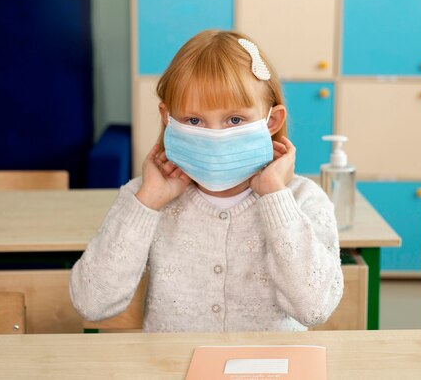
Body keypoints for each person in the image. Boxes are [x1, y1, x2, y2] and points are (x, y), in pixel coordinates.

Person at [70, 29, 343, 332]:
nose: (215, 136)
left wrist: (275, 197)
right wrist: (146, 203)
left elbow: (315, 307)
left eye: (235, 120)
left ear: (272, 122)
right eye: (194, 120)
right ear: (168, 117)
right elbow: (91, 303)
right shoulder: (146, 197)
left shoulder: (302, 199)